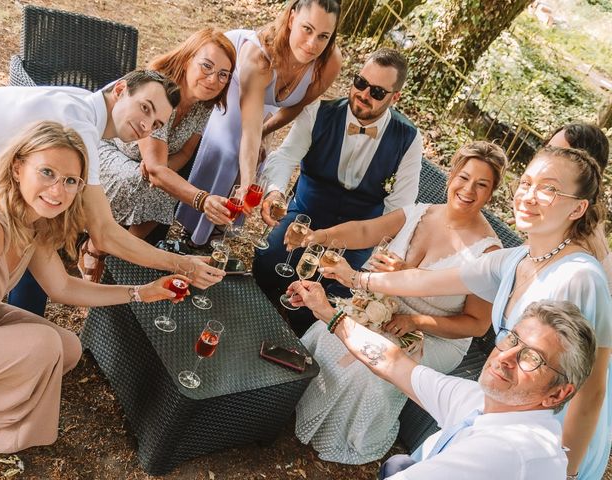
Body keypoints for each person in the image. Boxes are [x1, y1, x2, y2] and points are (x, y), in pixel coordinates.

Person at [318, 146, 612, 480]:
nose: (529, 196)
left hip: (547, 442)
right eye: (527, 182)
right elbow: (429, 281)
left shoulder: (580, 277)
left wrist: (567, 471)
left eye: (548, 188)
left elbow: (592, 392)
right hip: (500, 415)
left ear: (578, 207)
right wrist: (356, 278)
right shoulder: (516, 258)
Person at [0, 122, 190, 454]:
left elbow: (62, 287)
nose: (58, 191)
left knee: (67, 348)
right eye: (47, 172)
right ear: (18, 168)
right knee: (43, 346)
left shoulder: (34, 222)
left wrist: (141, 292)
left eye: (70, 181)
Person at [291, 141, 506, 463]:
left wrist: (416, 321)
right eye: (464, 177)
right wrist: (319, 237)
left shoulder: (489, 255)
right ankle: (293, 406)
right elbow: (364, 230)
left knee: (370, 366)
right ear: (451, 176)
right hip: (382, 305)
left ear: (491, 194)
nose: (468, 189)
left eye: (481, 185)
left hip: (434, 333)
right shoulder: (420, 213)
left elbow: (476, 325)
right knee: (328, 333)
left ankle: (351, 436)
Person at [0, 69, 224, 316]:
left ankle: (22, 320)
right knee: (44, 214)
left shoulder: (84, 105)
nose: (147, 125)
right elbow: (105, 234)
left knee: (42, 222)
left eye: (157, 124)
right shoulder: (80, 128)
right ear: (120, 89)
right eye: (145, 108)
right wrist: (182, 263)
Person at [287, 284, 596, 479]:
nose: (505, 357)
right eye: (512, 339)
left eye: (533, 358)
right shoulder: (484, 400)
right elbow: (391, 363)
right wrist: (329, 313)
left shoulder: (508, 451)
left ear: (558, 394)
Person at [252, 47, 423, 334]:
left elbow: (401, 207)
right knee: (268, 263)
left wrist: (376, 254)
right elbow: (285, 157)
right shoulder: (318, 112)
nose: (364, 94)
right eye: (360, 82)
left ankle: (293, 337)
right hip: (305, 215)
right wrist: (275, 192)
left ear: (395, 98)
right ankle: (256, 316)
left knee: (337, 294)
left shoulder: (408, 138)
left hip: (358, 235)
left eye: (377, 92)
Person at [175, 0, 343, 245]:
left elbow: (295, 106)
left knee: (258, 155)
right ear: (292, 17)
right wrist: (247, 183)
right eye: (307, 29)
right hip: (230, 75)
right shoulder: (257, 56)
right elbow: (249, 129)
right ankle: (192, 226)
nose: (312, 44)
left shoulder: (329, 62)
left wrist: (265, 133)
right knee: (232, 150)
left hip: (261, 98)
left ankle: (220, 227)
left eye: (323, 36)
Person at [97, 28, 236, 245]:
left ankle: (119, 248)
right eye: (207, 66)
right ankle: (100, 248)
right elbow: (153, 170)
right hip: (105, 147)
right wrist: (202, 199)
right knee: (148, 182)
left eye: (223, 74)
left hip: (144, 164)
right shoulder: (161, 91)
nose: (213, 80)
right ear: (187, 60)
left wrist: (163, 169)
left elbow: (186, 152)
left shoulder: (203, 105)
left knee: (165, 185)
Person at [546, 122, 612, 289]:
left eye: (559, 154)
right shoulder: (562, 211)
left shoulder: (580, 235)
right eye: (547, 149)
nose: (545, 159)